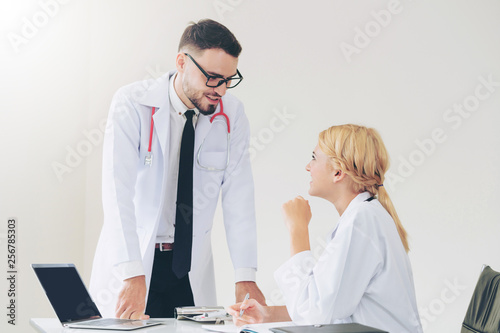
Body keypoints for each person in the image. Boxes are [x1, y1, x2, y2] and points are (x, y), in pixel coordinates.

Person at [89, 19, 265, 320]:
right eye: (212, 77)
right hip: (137, 262)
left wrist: (245, 275)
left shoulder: (231, 113)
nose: (220, 90)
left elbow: (239, 196)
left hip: (188, 267)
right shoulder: (132, 104)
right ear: (181, 62)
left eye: (228, 79)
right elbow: (117, 192)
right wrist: (132, 273)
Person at [228, 124, 423, 332]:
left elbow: (314, 312)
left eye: (314, 157)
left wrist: (298, 229)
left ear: (338, 172)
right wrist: (268, 314)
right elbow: (331, 305)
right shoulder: (363, 216)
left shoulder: (363, 220)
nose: (308, 166)